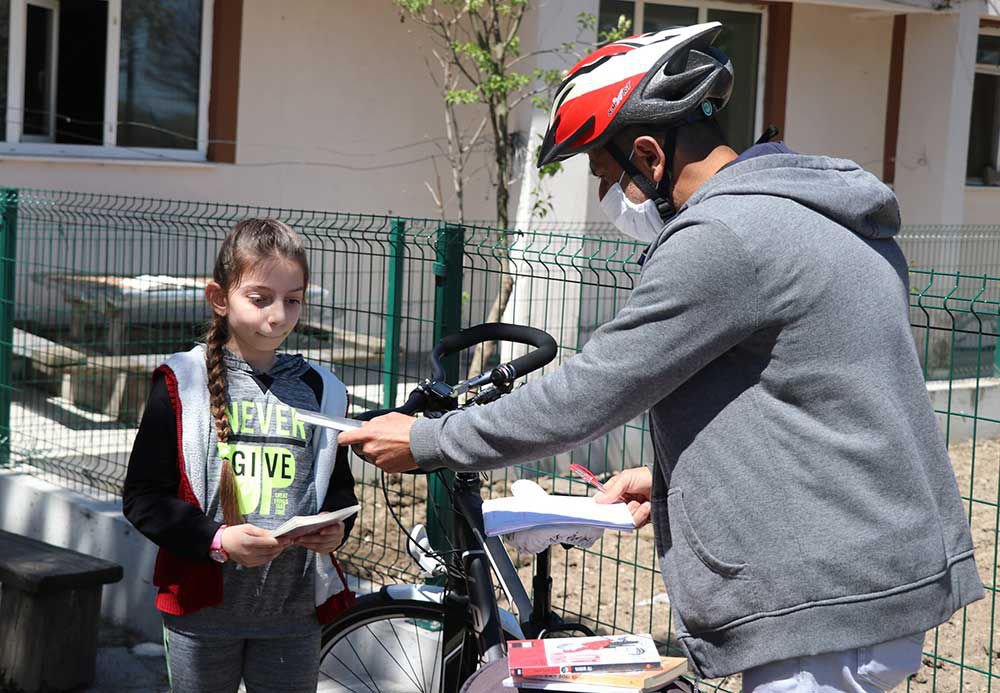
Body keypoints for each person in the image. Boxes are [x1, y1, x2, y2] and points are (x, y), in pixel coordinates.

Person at [340, 22, 984, 693]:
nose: (603, 199)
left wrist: (427, 438)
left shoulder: (724, 237)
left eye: (605, 173)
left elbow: (589, 394)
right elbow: (817, 394)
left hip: (826, 610)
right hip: (872, 580)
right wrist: (677, 474)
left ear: (650, 155)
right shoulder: (818, 211)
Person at [122, 218, 357, 693]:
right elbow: (144, 498)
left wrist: (337, 529)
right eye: (260, 298)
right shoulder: (179, 383)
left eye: (293, 300)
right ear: (219, 297)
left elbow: (338, 488)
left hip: (292, 615)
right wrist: (218, 541)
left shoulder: (323, 390)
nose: (278, 315)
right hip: (203, 614)